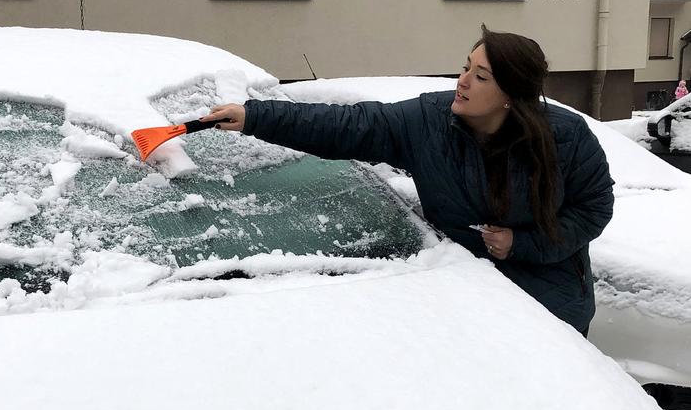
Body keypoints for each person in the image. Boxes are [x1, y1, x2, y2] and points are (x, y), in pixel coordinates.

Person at [201, 26, 614, 337]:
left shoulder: (565, 137)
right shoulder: (429, 123)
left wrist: (523, 244)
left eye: (481, 76)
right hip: (466, 293)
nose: (463, 81)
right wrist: (255, 117)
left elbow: (594, 209)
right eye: (466, 67)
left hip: (550, 303)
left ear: (512, 93)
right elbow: (348, 125)